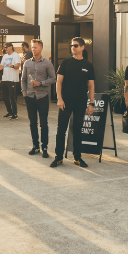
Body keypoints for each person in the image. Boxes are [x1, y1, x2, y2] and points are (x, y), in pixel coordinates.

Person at [51, 37, 95, 168]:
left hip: (81, 102)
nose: (73, 48)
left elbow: (91, 86)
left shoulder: (88, 65)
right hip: (66, 102)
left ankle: (77, 157)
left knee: (77, 130)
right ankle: (58, 158)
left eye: (75, 45)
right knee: (61, 130)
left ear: (82, 47)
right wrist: (59, 98)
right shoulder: (65, 63)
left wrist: (91, 103)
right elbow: (59, 82)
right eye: (71, 45)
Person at [20, 39, 55, 158]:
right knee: (32, 123)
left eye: (35, 47)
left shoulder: (47, 63)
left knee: (43, 124)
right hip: (30, 97)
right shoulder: (27, 63)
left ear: (41, 48)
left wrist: (40, 83)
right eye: (32, 47)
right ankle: (35, 146)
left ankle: (44, 147)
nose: (33, 49)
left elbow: (53, 78)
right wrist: (24, 93)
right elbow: (23, 79)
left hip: (42, 96)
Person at [0, 43, 23, 120]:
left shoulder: (16, 55)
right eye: (4, 47)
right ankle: (9, 112)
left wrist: (12, 66)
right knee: (5, 97)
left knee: (12, 97)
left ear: (11, 47)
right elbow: (1, 66)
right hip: (4, 79)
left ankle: (15, 114)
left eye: (6, 47)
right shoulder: (5, 56)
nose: (5, 49)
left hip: (12, 79)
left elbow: (17, 66)